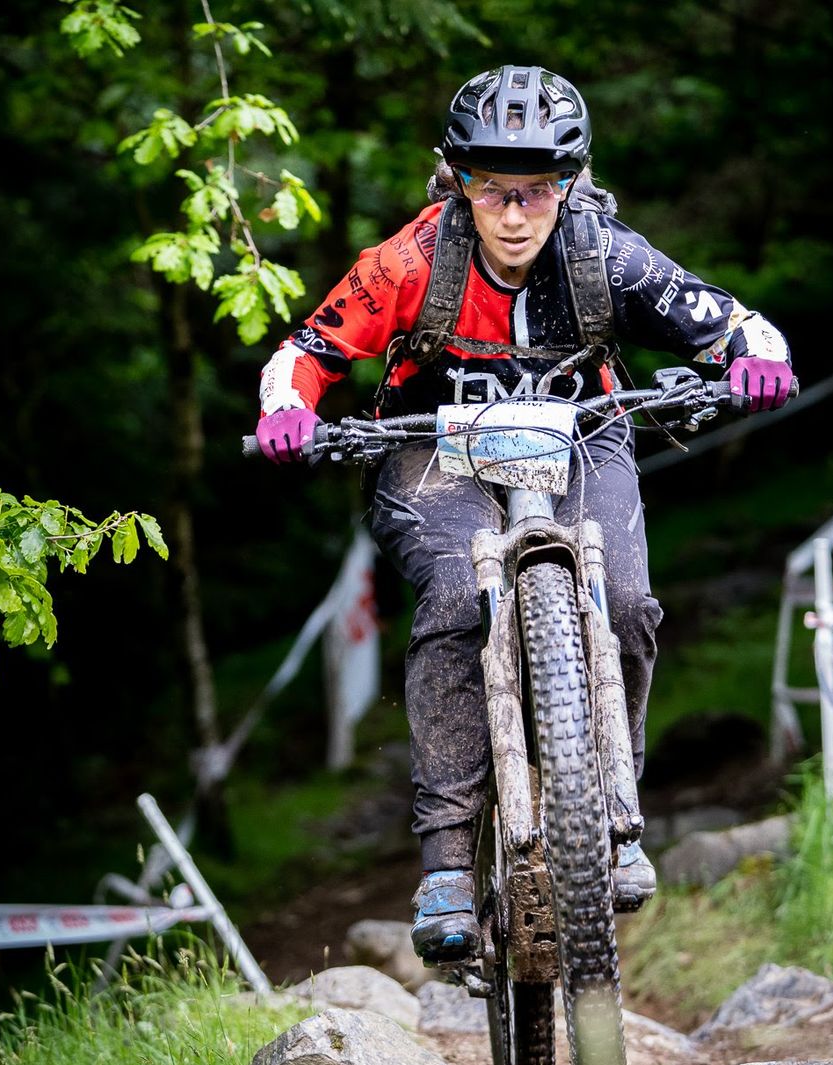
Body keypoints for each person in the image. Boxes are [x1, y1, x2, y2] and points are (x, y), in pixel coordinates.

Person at [252, 66, 793, 963]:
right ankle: (446, 864)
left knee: (627, 602)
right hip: (434, 450)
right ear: (458, 180)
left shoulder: (606, 256)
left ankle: (615, 812)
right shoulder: (410, 261)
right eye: (491, 188)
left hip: (582, 437)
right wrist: (287, 410)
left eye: (536, 189)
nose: (512, 214)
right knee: (457, 600)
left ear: (570, 183)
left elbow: (739, 324)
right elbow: (306, 350)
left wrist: (757, 361)